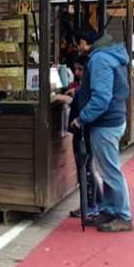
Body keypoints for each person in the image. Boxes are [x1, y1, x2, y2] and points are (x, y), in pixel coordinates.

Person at [72, 27, 133, 232]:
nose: (77, 48)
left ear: (83, 42)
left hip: (105, 123)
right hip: (113, 119)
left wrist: (82, 118)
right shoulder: (111, 54)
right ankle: (110, 210)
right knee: (108, 169)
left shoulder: (99, 59)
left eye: (77, 44)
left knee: (110, 170)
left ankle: (124, 215)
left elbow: (101, 98)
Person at [54, 55, 103, 219]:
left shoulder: (89, 87)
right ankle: (98, 201)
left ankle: (90, 205)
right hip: (85, 129)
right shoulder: (86, 84)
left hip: (84, 130)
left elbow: (90, 100)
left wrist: (76, 94)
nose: (77, 73)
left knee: (86, 168)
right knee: (88, 167)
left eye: (80, 69)